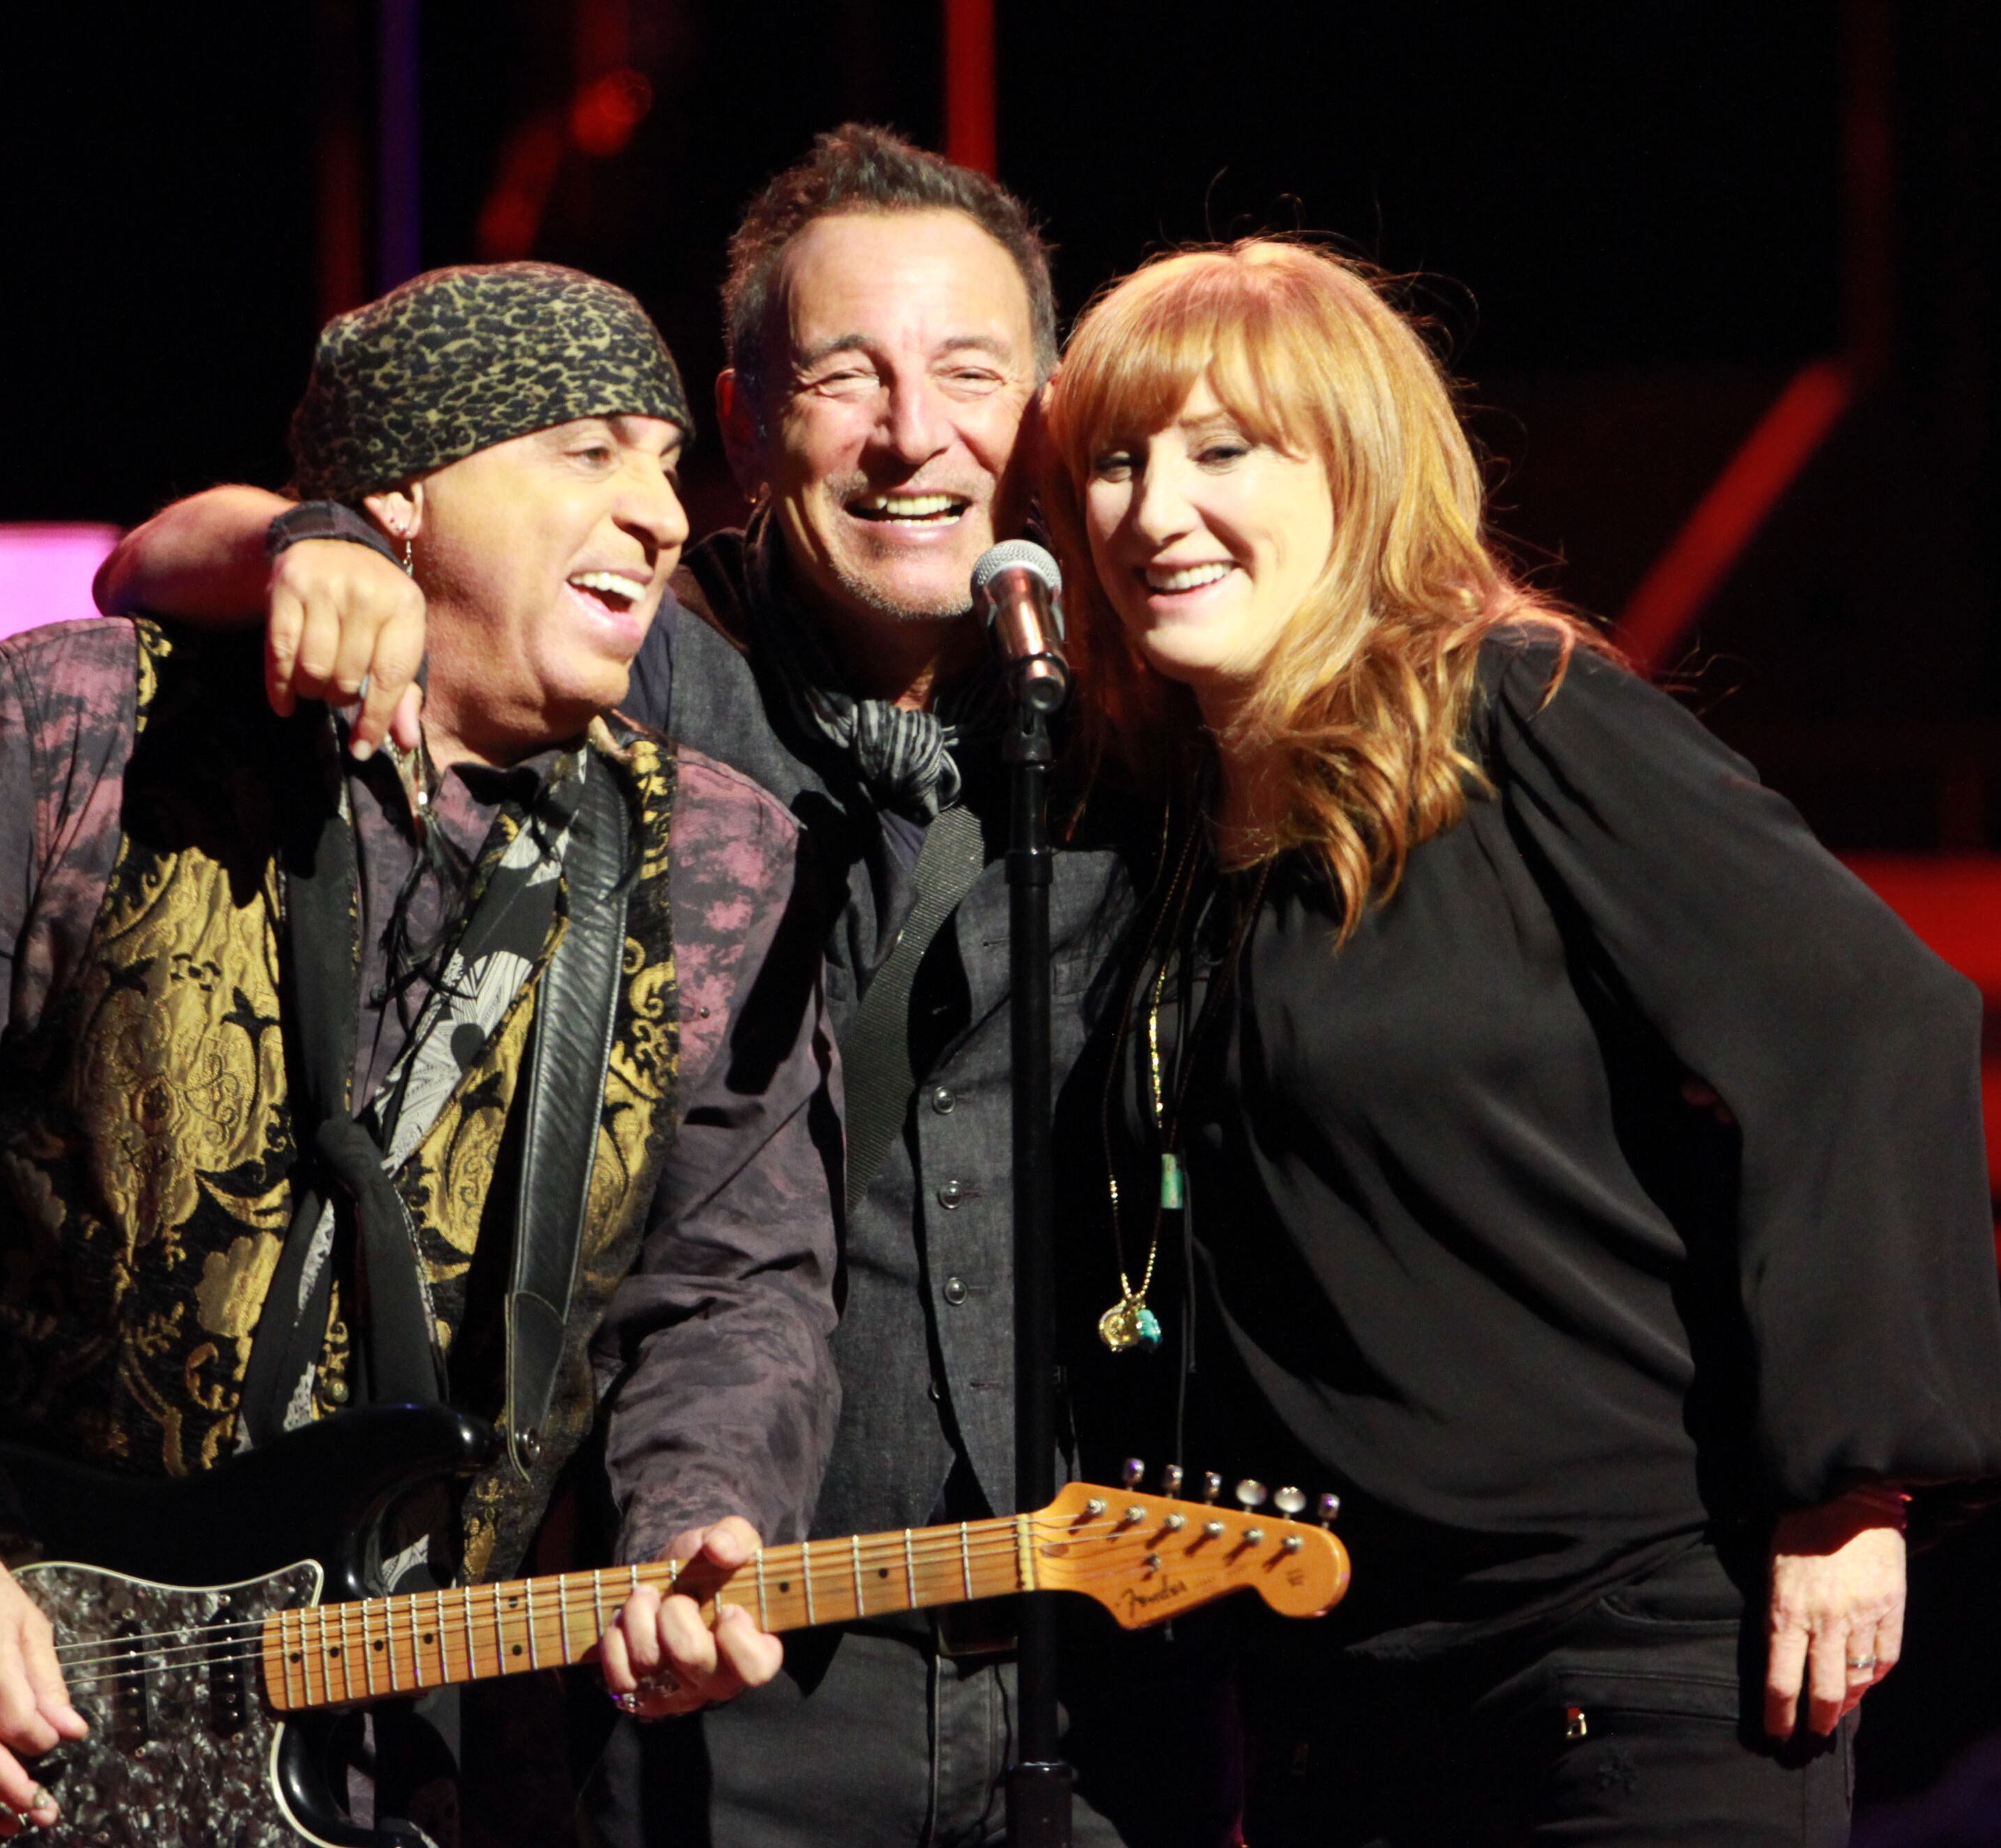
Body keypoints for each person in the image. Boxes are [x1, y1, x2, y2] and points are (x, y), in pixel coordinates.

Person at [94, 127, 1230, 1848]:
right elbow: (153, 559)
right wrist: (312, 541)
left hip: (1090, 1651)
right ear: (746, 419)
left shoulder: (1128, 711)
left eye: (970, 373)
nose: (914, 433)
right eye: (847, 375)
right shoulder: (633, 662)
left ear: (1053, 406)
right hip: (707, 1658)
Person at [0, 261, 842, 1847]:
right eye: (587, 450)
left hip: (425, 1759)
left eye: (665, 458)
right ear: (405, 491)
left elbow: (738, 1274)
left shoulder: (716, 858)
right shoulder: (81, 731)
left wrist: (703, 1511)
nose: (660, 512)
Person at [1033, 237, 2001, 1845]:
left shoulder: (1514, 712)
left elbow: (1867, 1012)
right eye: (1118, 462)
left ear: (1358, 474)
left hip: (1626, 1661)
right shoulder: (1164, 840)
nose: (1154, 512)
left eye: (1224, 452)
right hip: (1344, 1702)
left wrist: (1856, 1485)